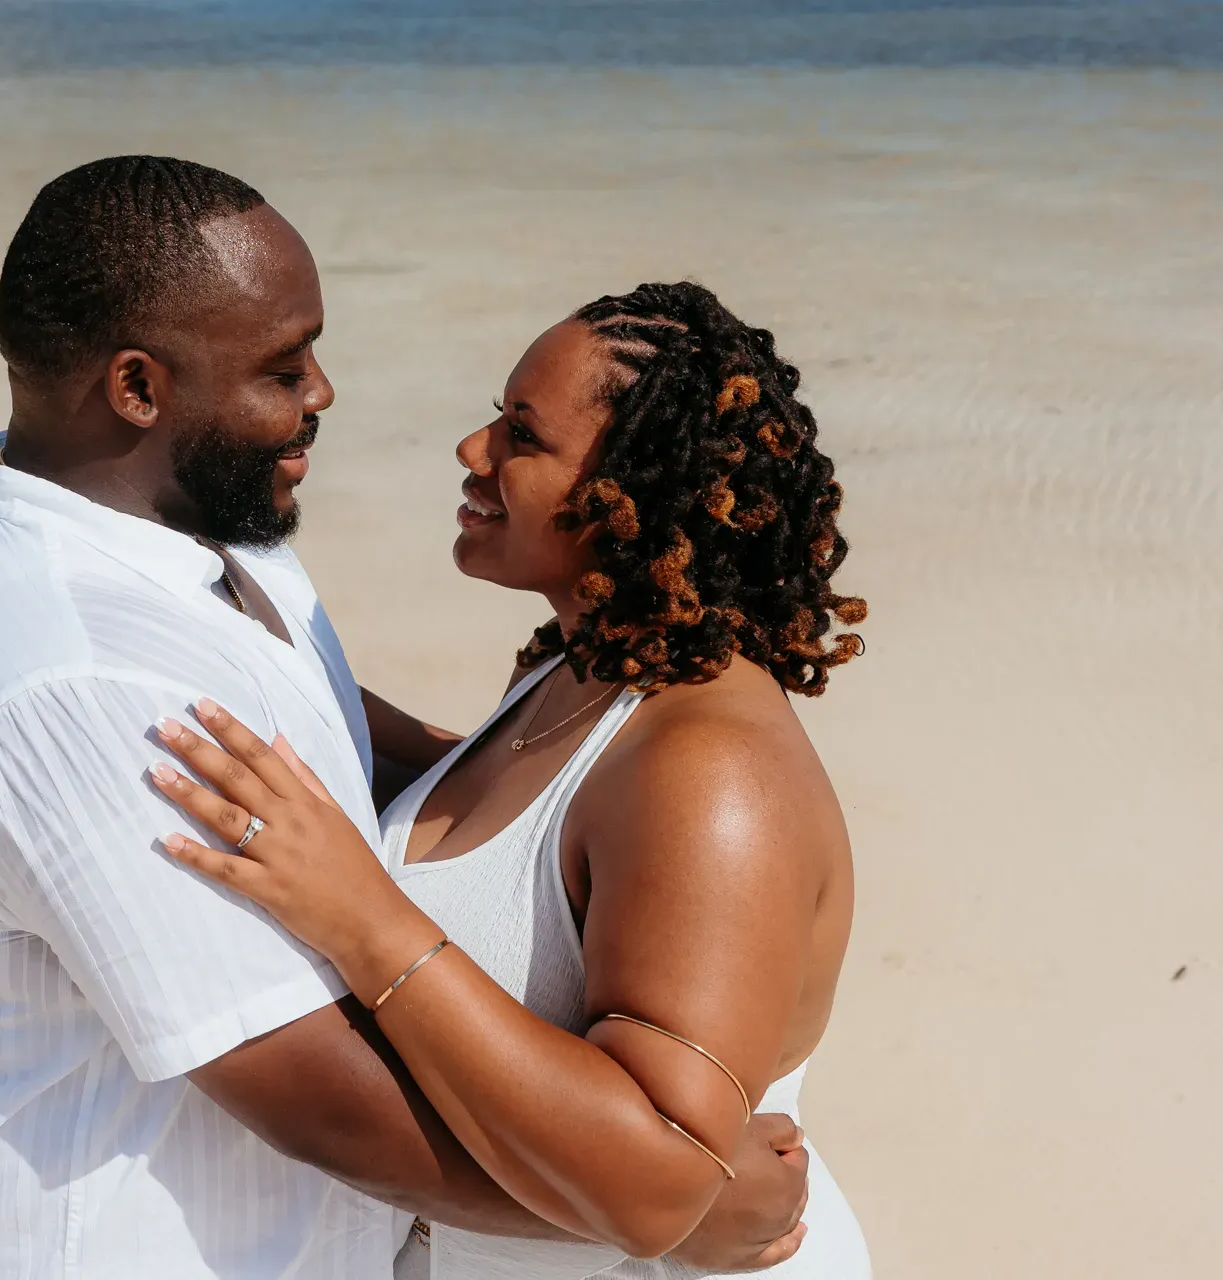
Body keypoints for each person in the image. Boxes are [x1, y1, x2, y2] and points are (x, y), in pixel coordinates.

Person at [0, 156, 810, 1278]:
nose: (323, 391)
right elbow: (327, 1101)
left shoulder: (207, 540)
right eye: (280, 366)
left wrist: (656, 1175)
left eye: (522, 431)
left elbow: (389, 760)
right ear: (137, 387)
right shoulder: (87, 682)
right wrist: (670, 1202)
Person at [146, 281, 874, 1277]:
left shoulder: (715, 774)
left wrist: (365, 918)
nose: (473, 450)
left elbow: (663, 1177)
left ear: (640, 491)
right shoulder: (581, 671)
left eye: (520, 435)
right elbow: (500, 819)